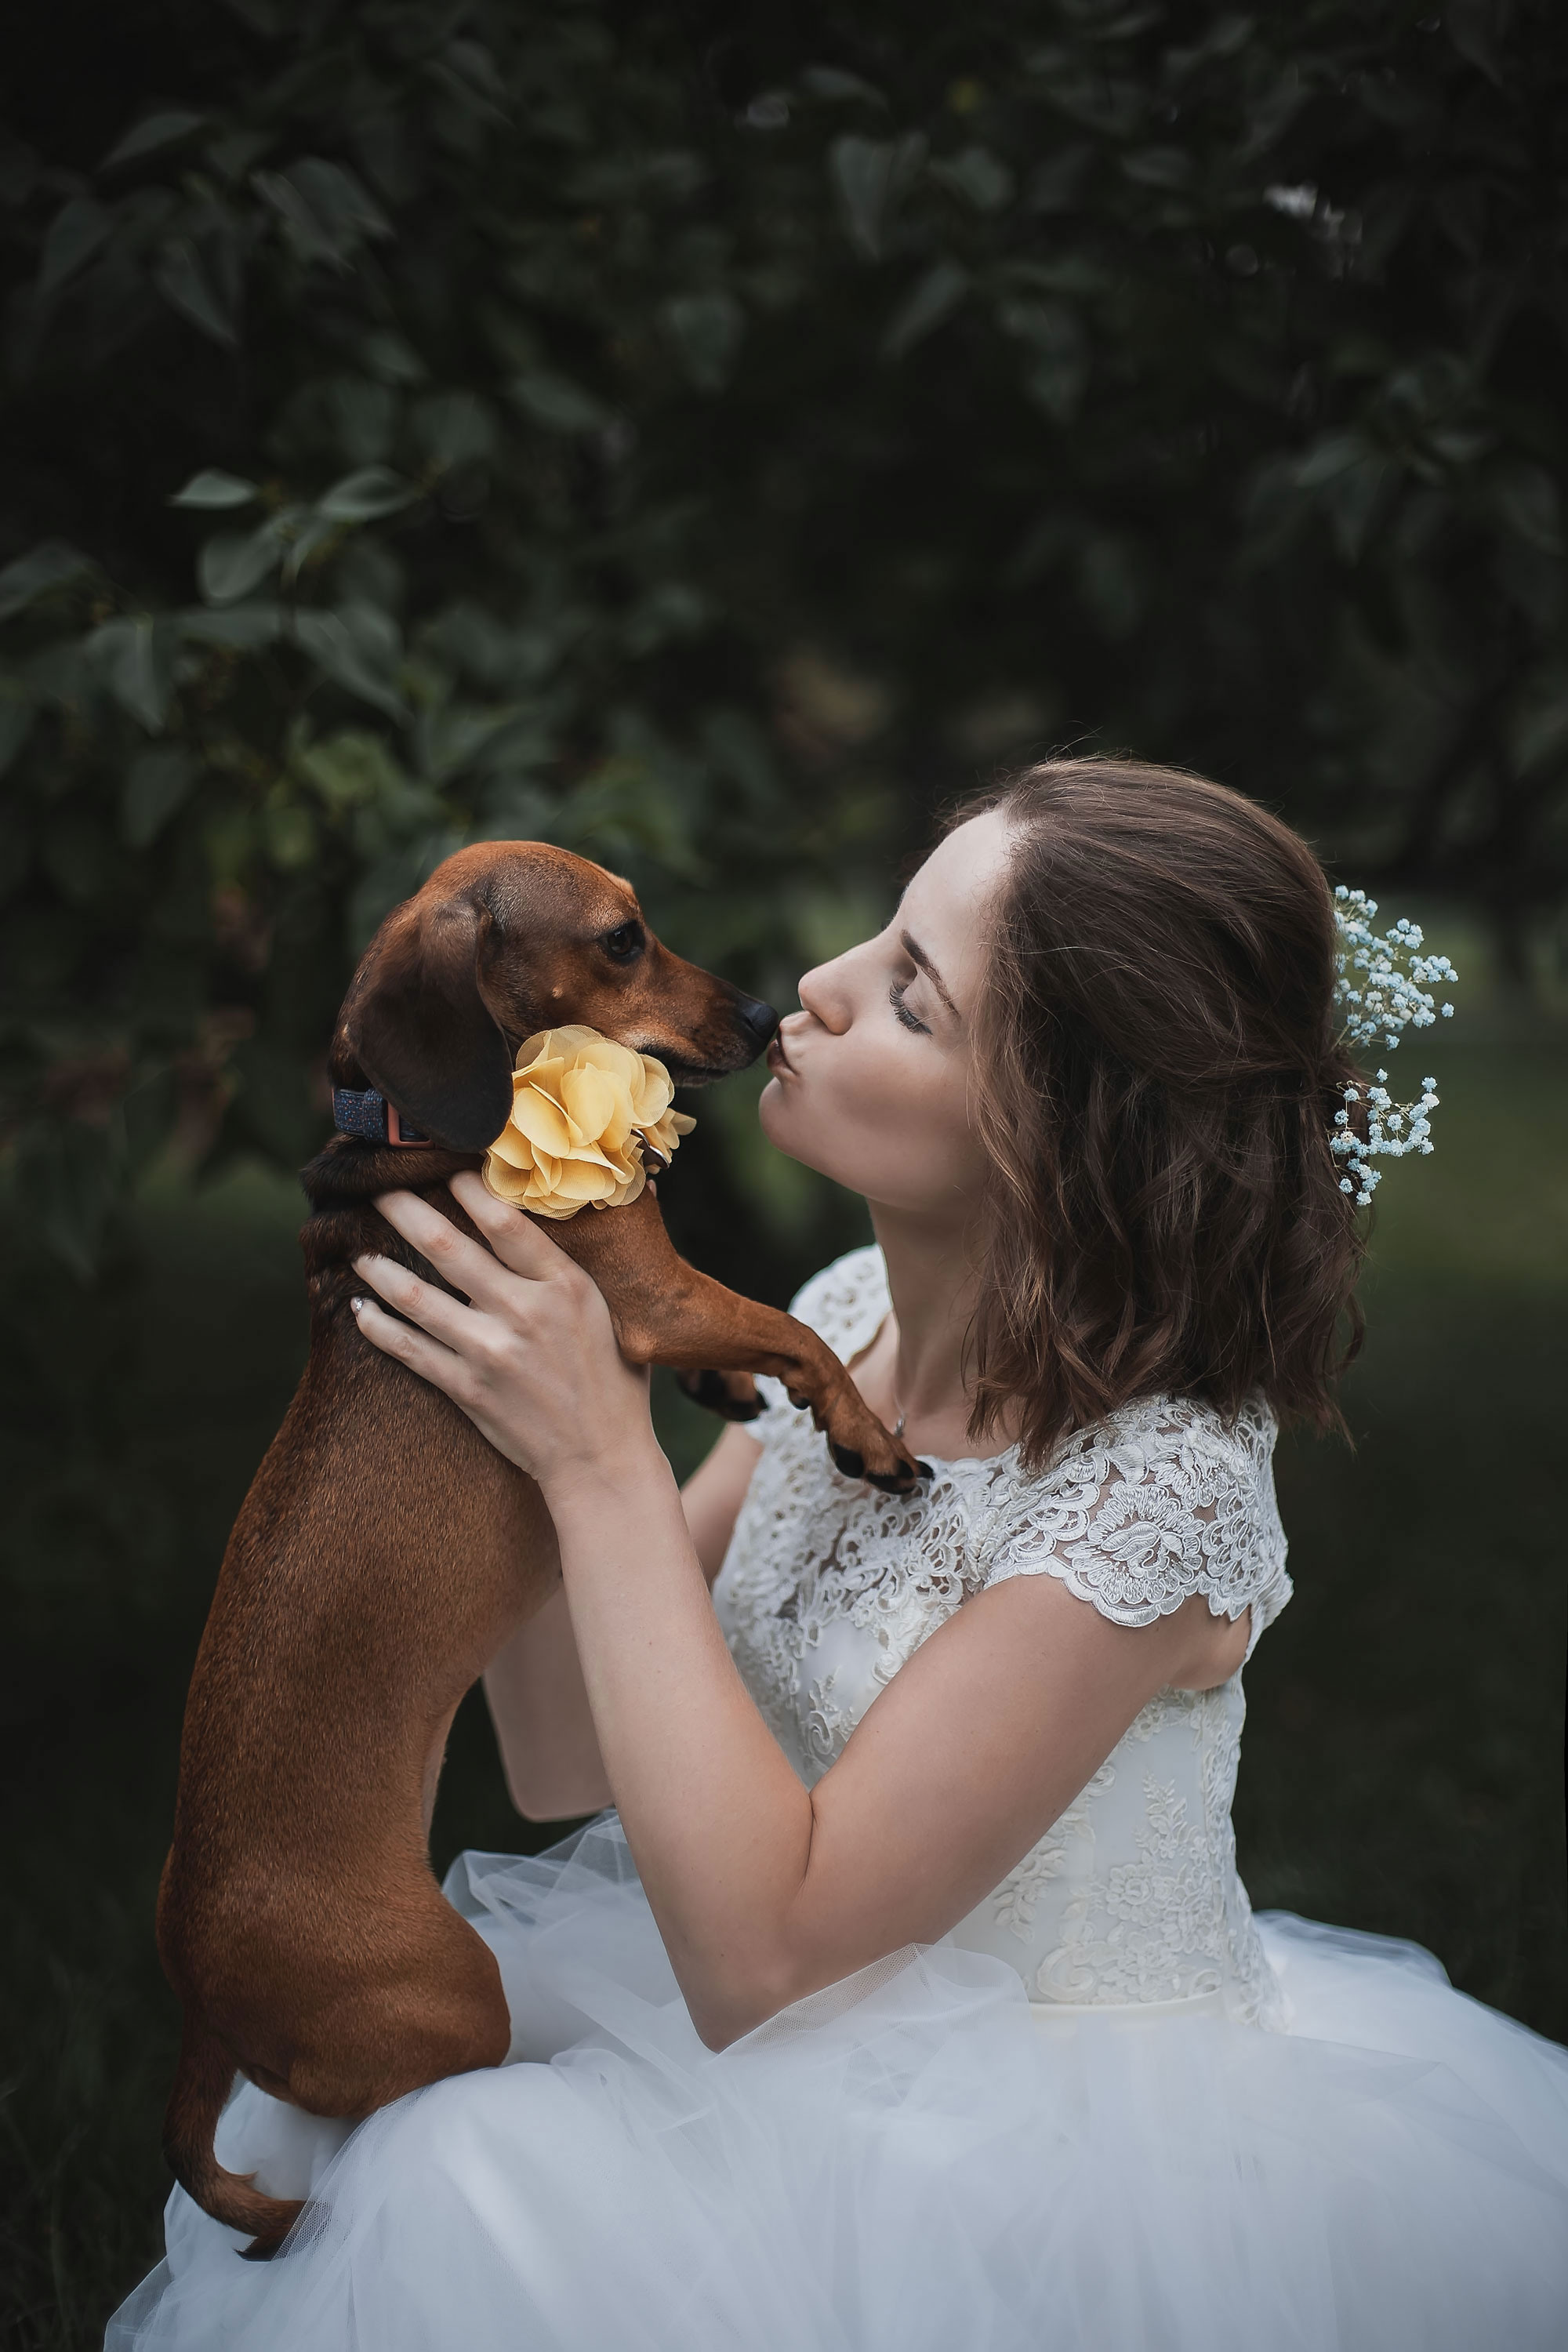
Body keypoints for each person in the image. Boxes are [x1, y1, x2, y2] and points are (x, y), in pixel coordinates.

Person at [110, 760, 1568, 2352]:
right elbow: (561, 1757)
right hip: (757, 2039)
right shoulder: (850, 1321)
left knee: (477, 2183)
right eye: (875, 933)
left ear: (1058, 1135)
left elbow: (758, 1962)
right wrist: (506, 1425)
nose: (814, 985)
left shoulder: (1152, 1493)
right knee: (417, 2128)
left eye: (912, 1001)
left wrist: (601, 1453)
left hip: (1026, 2154)